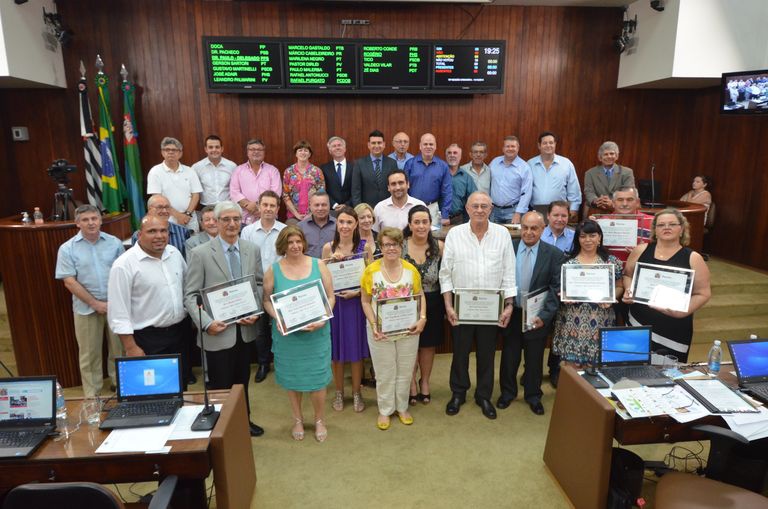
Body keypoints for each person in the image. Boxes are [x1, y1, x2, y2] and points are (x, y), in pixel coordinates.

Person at [184, 201, 264, 437]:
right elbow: (190, 295)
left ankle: (243, 422)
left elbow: (258, 284)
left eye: (236, 219)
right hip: (217, 332)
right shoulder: (200, 254)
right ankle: (222, 430)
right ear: (216, 223)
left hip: (245, 330)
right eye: (226, 219)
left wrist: (254, 310)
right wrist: (207, 323)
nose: (232, 224)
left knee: (242, 382)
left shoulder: (252, 249)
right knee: (220, 385)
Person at [440, 192, 517, 420]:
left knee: (487, 354)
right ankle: (458, 393)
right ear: (467, 208)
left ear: (491, 209)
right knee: (460, 354)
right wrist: (448, 306)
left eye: (484, 206)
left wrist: (509, 306)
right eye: (476, 206)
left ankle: (483, 396)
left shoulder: (502, 234)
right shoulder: (455, 234)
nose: (480, 210)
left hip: (491, 309)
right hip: (462, 308)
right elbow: (446, 274)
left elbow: (509, 272)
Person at [262, 226, 334, 442]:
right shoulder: (273, 270)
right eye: (290, 242)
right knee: (293, 380)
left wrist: (322, 319)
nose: (294, 246)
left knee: (318, 379)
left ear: (303, 242)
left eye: (298, 241)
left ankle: (320, 419)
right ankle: (298, 419)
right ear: (282, 245)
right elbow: (267, 301)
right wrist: (279, 318)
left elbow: (330, 297)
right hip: (288, 338)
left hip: (316, 335)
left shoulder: (318, 265)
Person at [108, 215, 189, 388]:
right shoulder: (124, 265)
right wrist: (130, 347)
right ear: (139, 234)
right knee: (155, 390)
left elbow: (187, 288)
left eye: (163, 230)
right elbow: (118, 312)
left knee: (181, 387)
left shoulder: (174, 253)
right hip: (147, 339)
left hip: (179, 334)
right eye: (152, 231)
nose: (159, 236)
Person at [622, 209, 711, 363]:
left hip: (674, 328)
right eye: (661, 225)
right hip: (638, 320)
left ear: (682, 229)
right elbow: (628, 275)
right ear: (655, 230)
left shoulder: (693, 258)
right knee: (632, 365)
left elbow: (703, 293)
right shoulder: (641, 250)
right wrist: (629, 289)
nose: (666, 227)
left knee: (667, 375)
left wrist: (683, 311)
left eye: (672, 224)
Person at [360, 227, 426, 430]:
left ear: (401, 246)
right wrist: (373, 324)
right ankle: (385, 410)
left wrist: (422, 318)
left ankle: (402, 407)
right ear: (381, 245)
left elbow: (420, 294)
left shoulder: (410, 270)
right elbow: (364, 301)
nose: (391, 248)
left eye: (395, 244)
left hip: (408, 330)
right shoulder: (370, 271)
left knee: (405, 370)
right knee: (384, 371)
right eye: (387, 244)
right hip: (379, 331)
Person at [55, 204, 124, 397]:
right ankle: (92, 396)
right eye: (85, 220)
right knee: (89, 354)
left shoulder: (115, 243)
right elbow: (69, 281)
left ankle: (120, 387)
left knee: (119, 350)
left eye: (94, 218)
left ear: (100, 220)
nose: (91, 223)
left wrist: (113, 303)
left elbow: (124, 275)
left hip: (115, 306)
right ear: (77, 223)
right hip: (85, 308)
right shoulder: (67, 249)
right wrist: (95, 303)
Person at [498, 211, 563, 416]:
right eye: (525, 227)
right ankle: (507, 393)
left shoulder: (553, 254)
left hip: (537, 316)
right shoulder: (509, 248)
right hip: (512, 312)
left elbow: (555, 289)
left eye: (534, 228)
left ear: (543, 229)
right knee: (509, 356)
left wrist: (544, 317)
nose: (528, 232)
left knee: (534, 359)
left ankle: (533, 396)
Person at [321, 206, 374, 413]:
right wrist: (330, 263)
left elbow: (370, 279)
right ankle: (339, 392)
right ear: (337, 224)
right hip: (336, 306)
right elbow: (323, 280)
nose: (344, 226)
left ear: (356, 225)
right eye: (341, 222)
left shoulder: (365, 247)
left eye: (349, 222)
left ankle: (357, 393)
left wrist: (359, 293)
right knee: (337, 352)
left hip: (356, 305)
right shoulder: (328, 248)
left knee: (356, 351)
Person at [552, 220, 623, 365]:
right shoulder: (567, 262)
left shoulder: (611, 262)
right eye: (583, 236)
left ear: (600, 238)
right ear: (578, 239)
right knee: (572, 369)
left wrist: (611, 297)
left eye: (592, 235)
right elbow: (561, 288)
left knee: (597, 367)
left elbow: (620, 285)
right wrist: (564, 295)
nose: (588, 240)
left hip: (600, 318)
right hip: (572, 320)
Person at [241, 190, 286, 383]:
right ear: (258, 206)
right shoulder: (247, 231)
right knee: (260, 330)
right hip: (256, 285)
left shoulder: (284, 230)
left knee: (279, 325)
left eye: (272, 206)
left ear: (277, 209)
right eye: (265, 205)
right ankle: (263, 363)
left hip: (280, 284)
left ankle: (282, 362)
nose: (268, 209)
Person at [402, 205, 444, 405]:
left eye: (424, 222)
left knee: (427, 346)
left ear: (430, 224)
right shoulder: (399, 245)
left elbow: (446, 278)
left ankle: (425, 382)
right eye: (416, 222)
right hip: (405, 304)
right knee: (409, 345)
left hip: (433, 302)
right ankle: (411, 382)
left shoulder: (440, 246)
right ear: (409, 224)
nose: (421, 226)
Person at [147, 137, 202, 232]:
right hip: (167, 218)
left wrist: (187, 214)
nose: (170, 152)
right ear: (162, 152)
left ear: (180, 153)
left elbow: (196, 195)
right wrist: (178, 216)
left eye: (174, 150)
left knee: (193, 244)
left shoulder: (190, 171)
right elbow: (157, 199)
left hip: (189, 218)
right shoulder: (155, 172)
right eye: (167, 149)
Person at [527, 131, 581, 222]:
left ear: (555, 144)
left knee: (558, 235)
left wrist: (574, 209)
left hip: (559, 211)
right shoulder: (530, 164)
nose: (548, 145)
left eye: (551, 143)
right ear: (539, 146)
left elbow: (574, 189)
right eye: (545, 143)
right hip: (536, 211)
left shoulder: (566, 164)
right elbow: (525, 189)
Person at [230, 138, 282, 226]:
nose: (256, 152)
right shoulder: (238, 170)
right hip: (244, 219)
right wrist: (248, 205)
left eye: (259, 149)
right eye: (252, 149)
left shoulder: (273, 171)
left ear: (264, 152)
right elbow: (234, 192)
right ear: (247, 152)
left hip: (268, 217)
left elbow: (275, 193)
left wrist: (260, 207)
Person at [404, 133, 452, 226]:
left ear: (435, 147)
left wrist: (445, 215)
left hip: (433, 208)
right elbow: (404, 188)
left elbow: (447, 192)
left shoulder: (443, 166)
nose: (428, 147)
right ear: (420, 146)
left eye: (431, 144)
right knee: (412, 234)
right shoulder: (410, 164)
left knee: (433, 237)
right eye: (425, 144)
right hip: (412, 207)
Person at [488, 136, 533, 225]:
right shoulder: (494, 163)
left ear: (518, 148)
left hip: (512, 212)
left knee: (512, 238)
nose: (510, 149)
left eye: (513, 146)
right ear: (503, 148)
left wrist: (518, 213)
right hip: (494, 211)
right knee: (495, 238)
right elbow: (488, 184)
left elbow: (526, 193)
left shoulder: (524, 168)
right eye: (507, 146)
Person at [132, 195, 191, 259]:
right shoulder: (139, 235)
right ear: (149, 209)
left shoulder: (182, 231)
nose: (164, 211)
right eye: (160, 207)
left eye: (167, 207)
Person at [583, 141, 635, 212]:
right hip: (597, 209)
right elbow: (589, 192)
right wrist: (596, 200)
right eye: (606, 154)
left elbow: (628, 192)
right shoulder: (590, 173)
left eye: (612, 153)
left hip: (619, 210)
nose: (609, 156)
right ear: (600, 158)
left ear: (617, 156)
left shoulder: (627, 172)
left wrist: (613, 202)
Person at [282, 140, 325, 224]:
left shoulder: (316, 171)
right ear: (296, 153)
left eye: (306, 150)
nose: (303, 153)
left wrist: (311, 214)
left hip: (314, 215)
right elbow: (285, 196)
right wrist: (296, 214)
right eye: (300, 150)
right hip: (293, 216)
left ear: (309, 154)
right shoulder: (288, 172)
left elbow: (321, 194)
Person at [352, 129, 398, 208]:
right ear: (368, 145)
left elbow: (395, 186)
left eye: (379, 143)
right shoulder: (359, 164)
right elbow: (356, 191)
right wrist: (359, 209)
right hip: (367, 209)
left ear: (384, 144)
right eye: (373, 143)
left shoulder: (392, 163)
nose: (376, 146)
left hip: (388, 207)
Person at [191, 135, 236, 211]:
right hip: (206, 208)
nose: (214, 150)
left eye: (217, 147)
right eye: (210, 147)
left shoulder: (232, 166)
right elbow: (193, 190)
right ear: (206, 149)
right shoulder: (196, 167)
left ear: (222, 149)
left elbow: (236, 188)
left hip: (227, 207)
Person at [319, 136, 353, 214]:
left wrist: (346, 205)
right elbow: (322, 190)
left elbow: (356, 189)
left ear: (345, 149)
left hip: (350, 209)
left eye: (339, 145)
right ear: (330, 151)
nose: (337, 148)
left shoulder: (355, 167)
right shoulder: (323, 168)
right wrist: (334, 205)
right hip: (331, 210)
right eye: (334, 146)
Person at [298, 191, 336, 258]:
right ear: (310, 206)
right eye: (316, 205)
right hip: (309, 267)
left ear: (329, 205)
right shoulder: (300, 227)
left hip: (332, 266)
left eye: (324, 205)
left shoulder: (339, 225)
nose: (320, 208)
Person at [446, 144, 477, 224]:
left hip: (459, 219)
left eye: (455, 153)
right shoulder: (439, 174)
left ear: (460, 156)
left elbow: (474, 199)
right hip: (439, 218)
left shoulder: (466, 178)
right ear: (446, 156)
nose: (452, 155)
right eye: (449, 153)